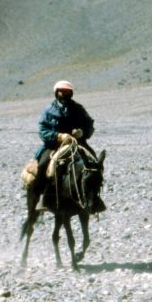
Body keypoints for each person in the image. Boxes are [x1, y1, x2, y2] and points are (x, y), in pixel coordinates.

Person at [31, 79, 104, 212]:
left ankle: (94, 196)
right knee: (43, 165)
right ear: (56, 93)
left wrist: (82, 132)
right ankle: (44, 197)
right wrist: (58, 136)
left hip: (78, 142)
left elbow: (89, 124)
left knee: (94, 163)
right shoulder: (49, 110)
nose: (64, 94)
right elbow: (42, 129)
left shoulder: (78, 108)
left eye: (67, 91)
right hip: (55, 144)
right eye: (62, 91)